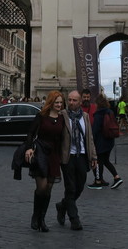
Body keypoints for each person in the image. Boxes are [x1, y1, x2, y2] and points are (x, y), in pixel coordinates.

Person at [23, 91, 65, 232]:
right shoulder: (41, 116)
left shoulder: (62, 118)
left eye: (60, 102)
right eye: (56, 102)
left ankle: (42, 219)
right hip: (41, 153)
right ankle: (35, 215)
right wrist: (29, 148)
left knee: (48, 189)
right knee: (41, 187)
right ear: (51, 103)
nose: (59, 105)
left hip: (54, 156)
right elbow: (30, 133)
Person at [55, 90, 96, 231]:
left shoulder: (84, 117)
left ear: (79, 102)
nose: (71, 102)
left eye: (74, 100)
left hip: (82, 156)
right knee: (71, 188)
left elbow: (89, 138)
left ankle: (62, 206)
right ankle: (74, 219)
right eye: (70, 100)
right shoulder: (62, 116)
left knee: (79, 187)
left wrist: (93, 156)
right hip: (68, 156)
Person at [88, 94, 123, 190]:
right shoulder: (110, 112)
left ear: (98, 104)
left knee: (98, 161)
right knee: (105, 161)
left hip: (101, 142)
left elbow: (95, 130)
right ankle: (109, 179)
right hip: (109, 141)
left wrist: (91, 142)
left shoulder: (99, 114)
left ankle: (99, 181)